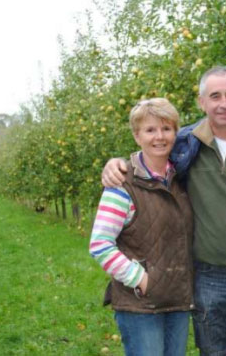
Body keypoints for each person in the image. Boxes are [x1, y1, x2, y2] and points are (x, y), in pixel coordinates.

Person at [101, 66, 226, 355]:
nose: (224, 103)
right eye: (215, 96)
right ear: (202, 102)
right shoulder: (185, 145)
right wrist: (115, 164)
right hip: (209, 279)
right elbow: (149, 157)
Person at [90, 98, 194, 356]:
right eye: (150, 130)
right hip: (141, 305)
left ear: (176, 133)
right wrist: (143, 280)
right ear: (137, 136)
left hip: (178, 301)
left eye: (166, 128)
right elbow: (100, 244)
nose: (159, 137)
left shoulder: (182, 179)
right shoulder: (122, 184)